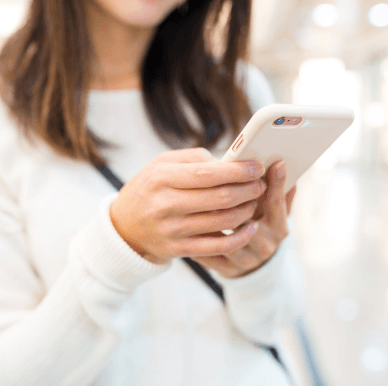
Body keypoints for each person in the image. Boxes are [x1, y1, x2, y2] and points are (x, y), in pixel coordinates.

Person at [0, 0, 304, 385]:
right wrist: (118, 248)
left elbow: (277, 320)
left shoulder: (238, 88)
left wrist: (258, 269)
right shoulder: (8, 110)